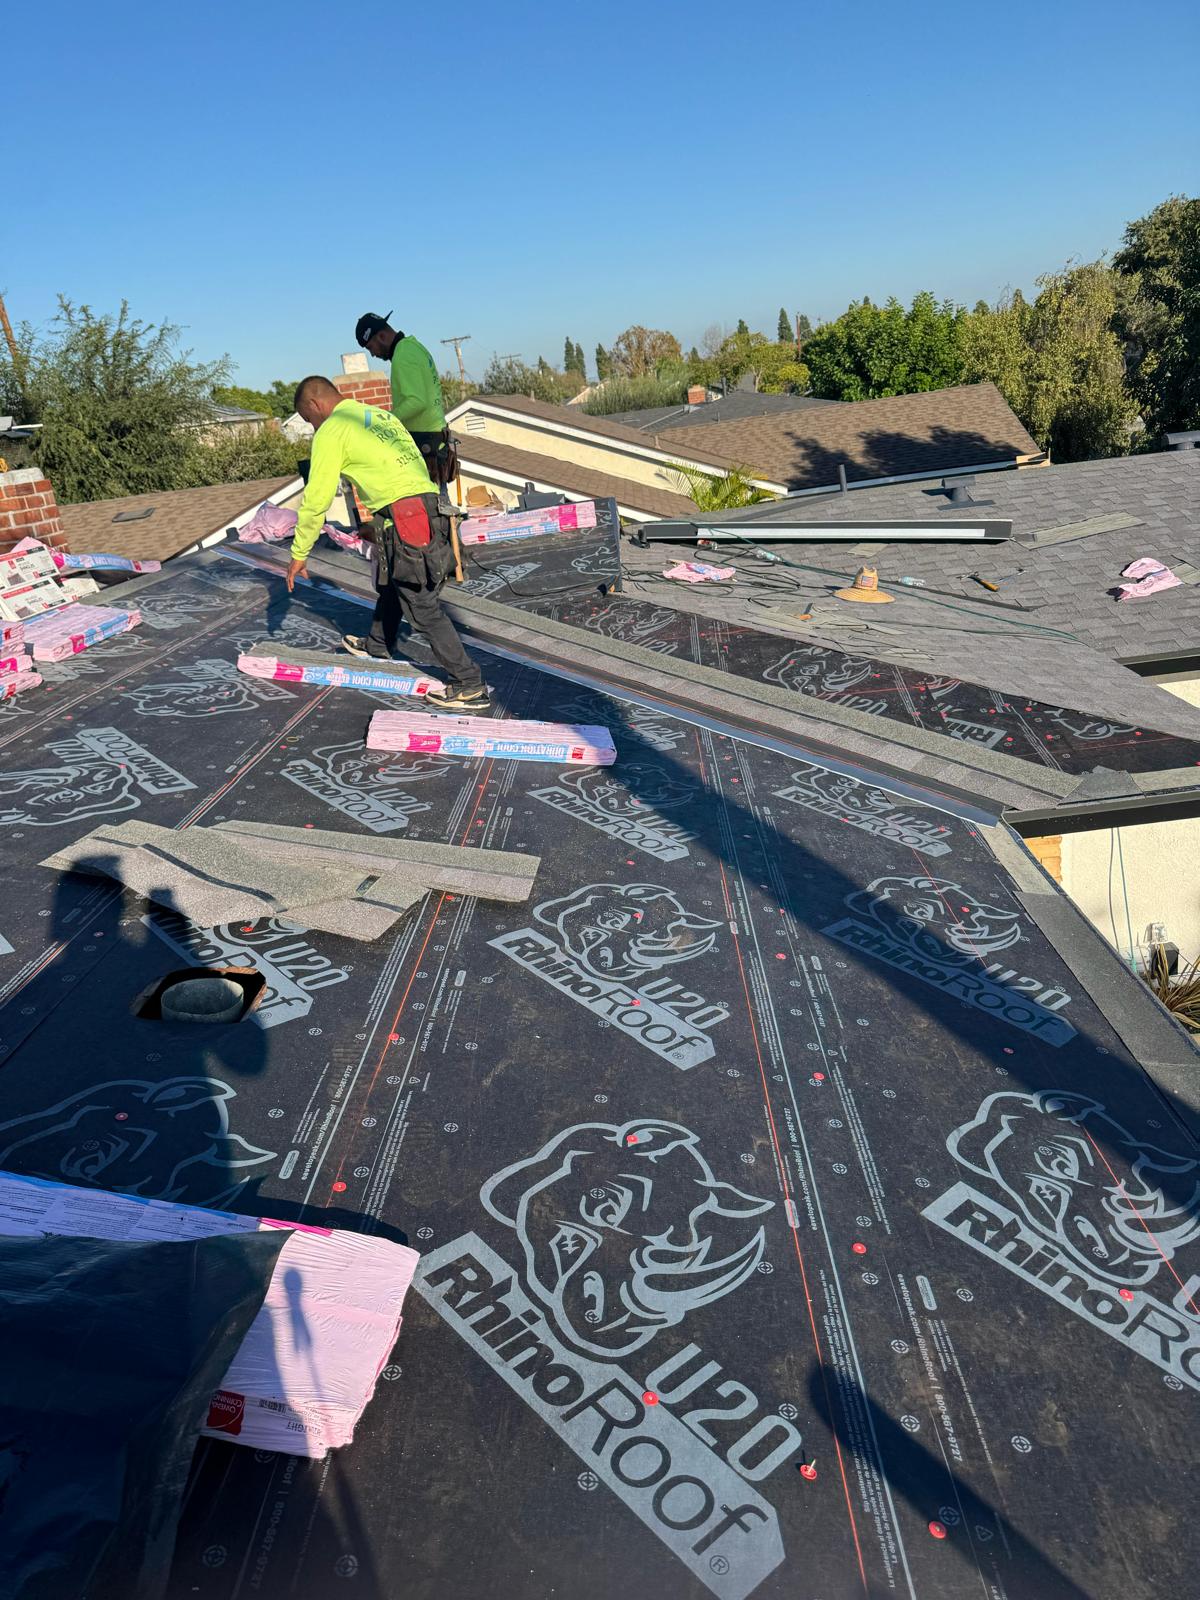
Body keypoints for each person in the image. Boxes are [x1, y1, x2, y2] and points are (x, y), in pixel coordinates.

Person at [285, 376, 488, 711]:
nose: (312, 427)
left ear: (315, 405)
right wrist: (379, 519)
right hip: (427, 509)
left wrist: (299, 553)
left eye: (309, 420)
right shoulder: (380, 417)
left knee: (422, 607)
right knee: (394, 581)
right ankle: (379, 643)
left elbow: (317, 497)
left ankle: (469, 684)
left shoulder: (332, 429)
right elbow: (400, 471)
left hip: (407, 517)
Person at [354, 312, 456, 491]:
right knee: (441, 507)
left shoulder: (403, 355)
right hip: (435, 440)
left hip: (426, 443)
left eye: (371, 347)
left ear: (382, 336)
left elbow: (416, 402)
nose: (372, 354)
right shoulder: (414, 347)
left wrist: (384, 422)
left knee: (433, 511)